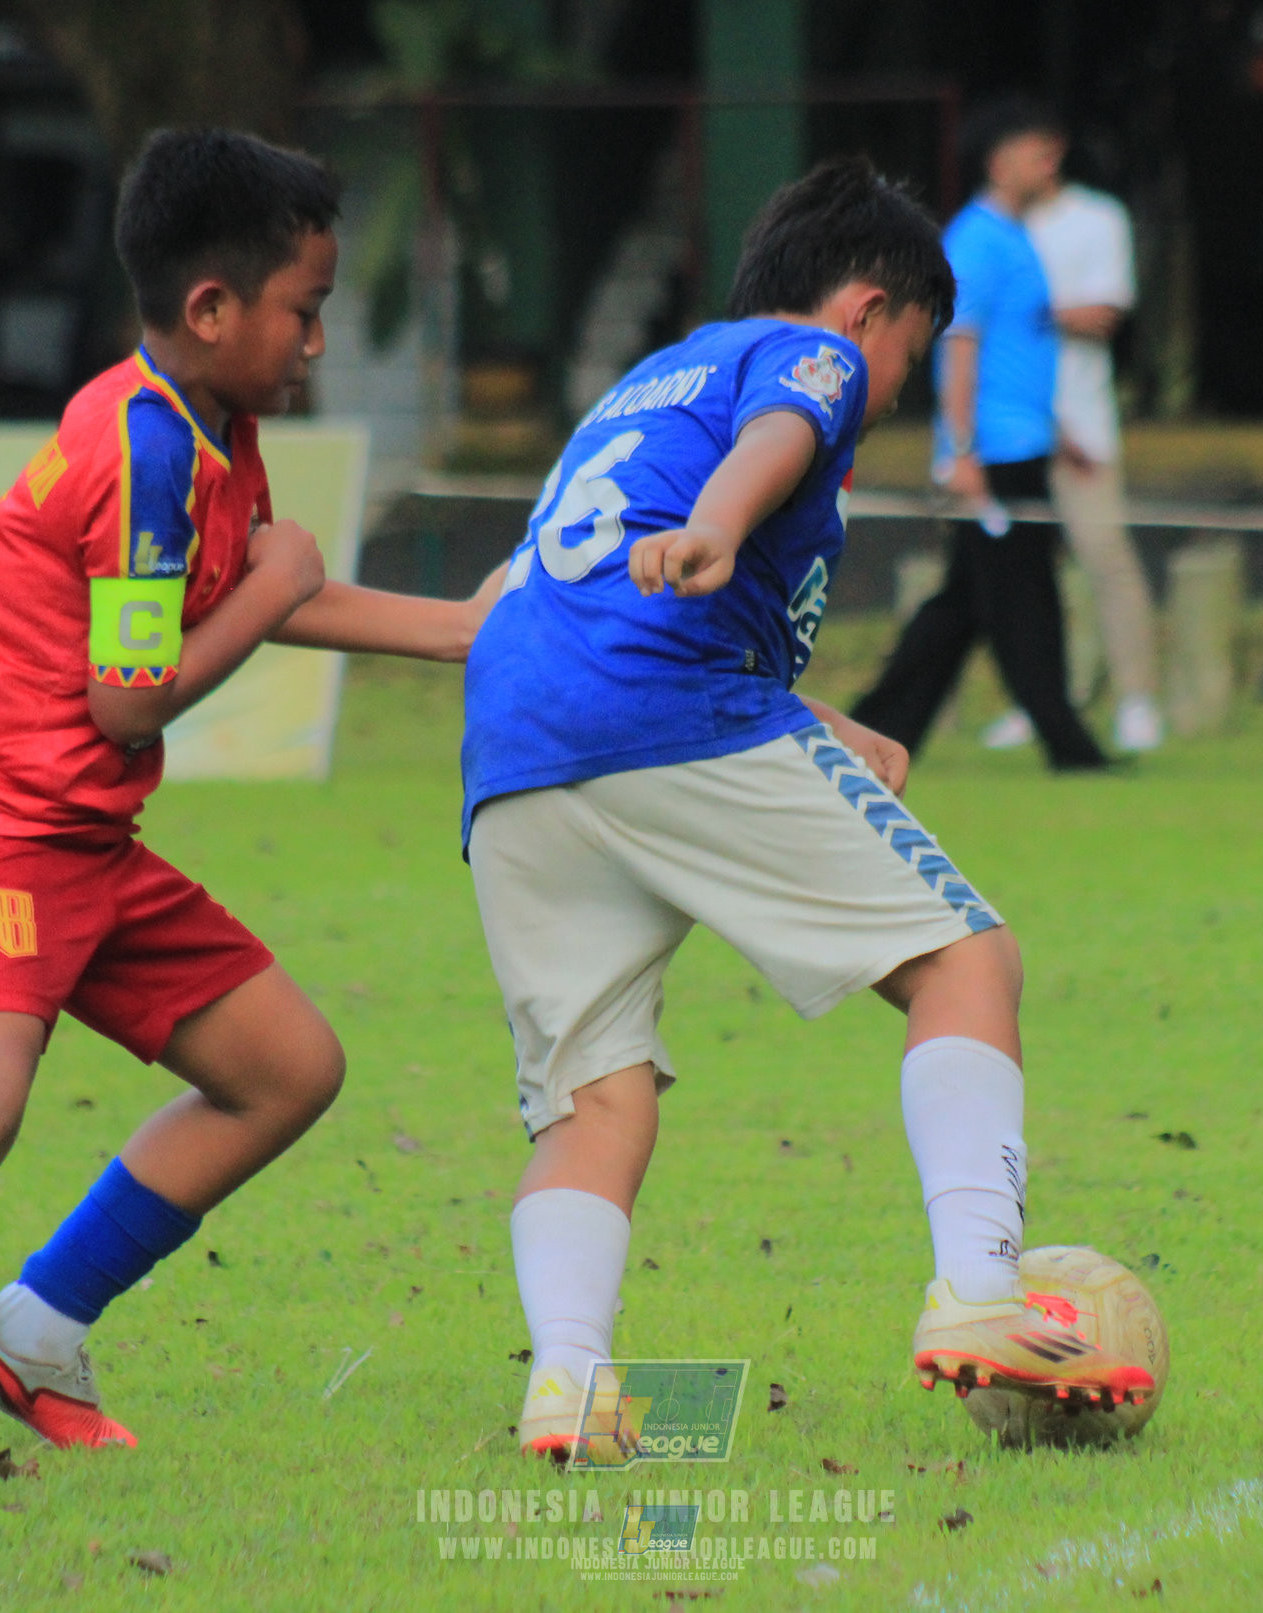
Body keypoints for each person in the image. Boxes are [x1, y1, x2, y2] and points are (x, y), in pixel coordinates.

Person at [0, 129, 496, 1505]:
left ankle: (26, 1335)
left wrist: (458, 628)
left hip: (75, 836)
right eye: (305, 310)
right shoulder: (143, 447)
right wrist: (275, 587)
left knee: (287, 1068)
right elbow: (133, 700)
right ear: (211, 307)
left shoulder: (208, 424)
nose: (317, 342)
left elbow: (255, 584)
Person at [462, 158, 1155, 1459]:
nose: (888, 392)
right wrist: (724, 520)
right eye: (909, 356)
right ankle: (980, 1292)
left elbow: (536, 611)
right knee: (966, 961)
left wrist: (822, 719)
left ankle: (567, 1381)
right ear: (864, 309)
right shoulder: (811, 355)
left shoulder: (645, 386)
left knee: (592, 1100)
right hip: (660, 716)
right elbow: (780, 433)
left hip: (513, 758)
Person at [848, 100, 1107, 772]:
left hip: (1020, 443)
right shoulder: (978, 241)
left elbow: (1015, 354)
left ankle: (872, 730)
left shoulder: (1014, 238)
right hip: (993, 455)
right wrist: (961, 452)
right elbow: (959, 349)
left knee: (960, 609)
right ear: (998, 161)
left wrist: (1058, 433)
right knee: (1026, 602)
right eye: (1036, 151)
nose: (1050, 163)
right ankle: (1068, 742)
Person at [983, 135, 1163, 755]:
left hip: (1081, 423)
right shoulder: (995, 229)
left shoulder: (1096, 218)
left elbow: (1102, 316)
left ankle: (1137, 700)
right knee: (1027, 576)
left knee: (1105, 558)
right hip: (1010, 429)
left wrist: (1022, 311)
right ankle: (1041, 701)